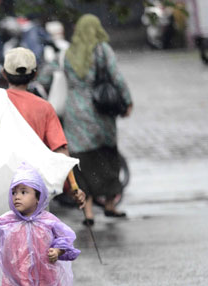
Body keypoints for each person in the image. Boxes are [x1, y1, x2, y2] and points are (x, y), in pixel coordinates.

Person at [60, 14, 133, 225]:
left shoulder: (68, 53)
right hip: (99, 111)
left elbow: (53, 75)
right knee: (107, 158)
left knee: (81, 162)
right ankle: (110, 205)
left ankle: (88, 212)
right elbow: (116, 77)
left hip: (75, 112)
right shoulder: (102, 50)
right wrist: (127, 101)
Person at [2, 47, 86, 208]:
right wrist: (74, 187)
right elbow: (61, 151)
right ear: (35, 74)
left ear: (4, 73)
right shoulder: (44, 107)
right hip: (32, 188)